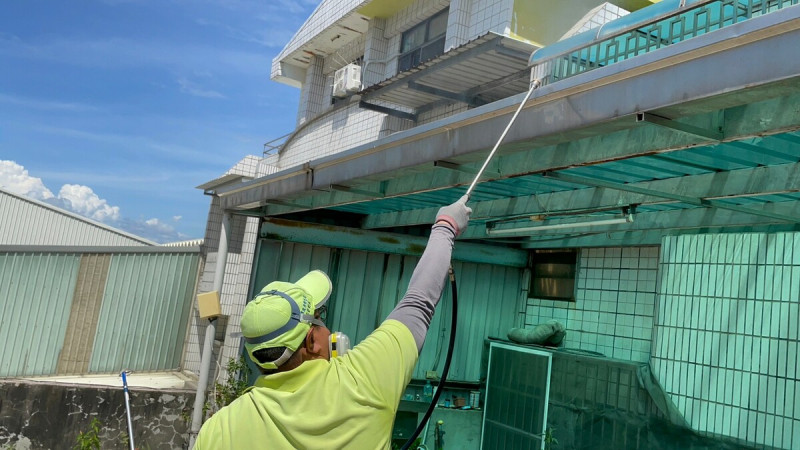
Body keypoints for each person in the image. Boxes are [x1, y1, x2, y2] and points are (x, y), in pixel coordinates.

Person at [194, 196, 471, 449]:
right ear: (311, 342)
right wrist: (446, 226)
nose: (328, 328)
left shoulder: (219, 430)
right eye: (320, 318)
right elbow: (418, 302)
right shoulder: (362, 381)